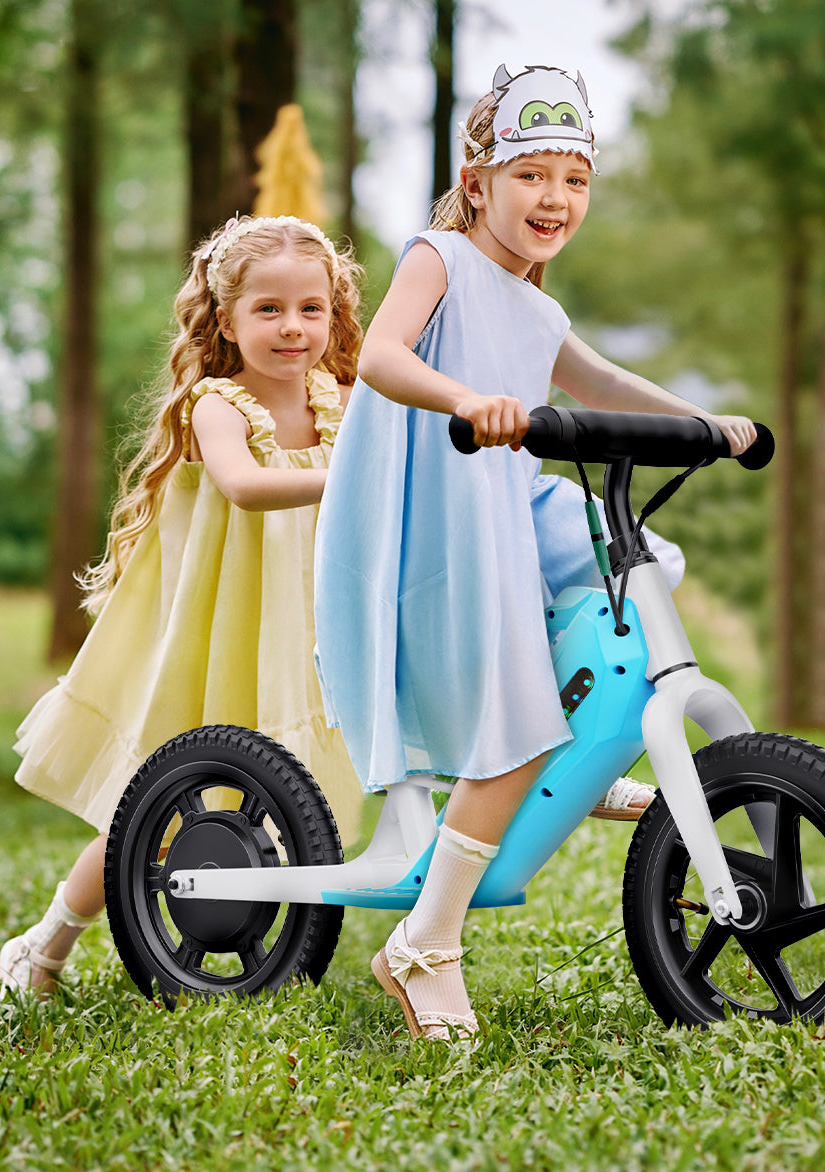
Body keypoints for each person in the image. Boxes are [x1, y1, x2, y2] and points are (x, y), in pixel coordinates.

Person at [312, 65, 758, 1041]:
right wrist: (467, 398)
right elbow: (381, 355)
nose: (556, 198)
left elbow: (601, 380)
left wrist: (703, 423)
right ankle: (426, 944)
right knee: (512, 700)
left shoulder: (538, 307)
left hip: (511, 502)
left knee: (638, 574)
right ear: (478, 185)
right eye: (532, 175)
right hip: (439, 513)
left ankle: (569, 751)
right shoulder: (439, 258)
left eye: (575, 179)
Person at [0, 215, 364, 997]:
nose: (293, 328)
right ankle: (46, 942)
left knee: (285, 796)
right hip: (225, 628)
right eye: (268, 309)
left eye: (311, 309)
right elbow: (245, 486)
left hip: (308, 628)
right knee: (153, 809)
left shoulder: (343, 400)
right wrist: (355, 477)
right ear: (226, 320)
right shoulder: (217, 405)